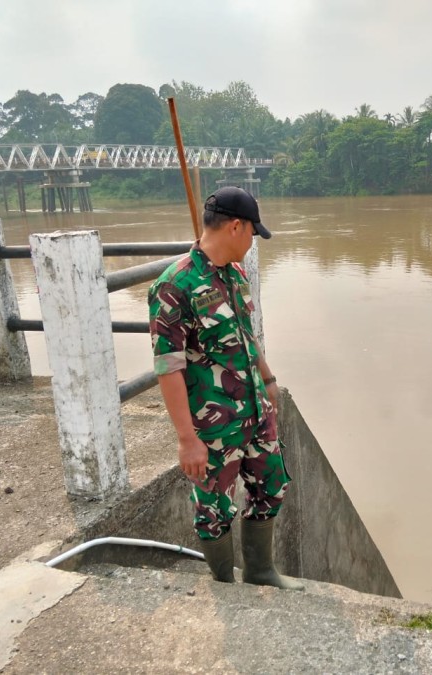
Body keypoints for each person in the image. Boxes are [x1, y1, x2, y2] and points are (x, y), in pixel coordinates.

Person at [147, 186, 303, 590]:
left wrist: (267, 380)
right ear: (236, 226)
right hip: (213, 427)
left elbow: (246, 337)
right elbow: (168, 369)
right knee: (214, 509)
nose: (253, 241)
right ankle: (223, 584)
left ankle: (260, 571)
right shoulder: (175, 286)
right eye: (253, 232)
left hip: (254, 410)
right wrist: (187, 440)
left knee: (272, 484)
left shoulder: (234, 275)